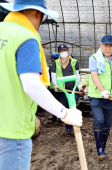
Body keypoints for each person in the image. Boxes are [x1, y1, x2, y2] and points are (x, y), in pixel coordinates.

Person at [0, 1, 82, 170]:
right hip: (12, 130)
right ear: (39, 14)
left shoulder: (2, 30)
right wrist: (64, 113)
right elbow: (31, 85)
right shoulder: (25, 37)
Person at [88, 35, 112, 160]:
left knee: (107, 125)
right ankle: (99, 151)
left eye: (110, 46)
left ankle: (102, 149)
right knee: (99, 120)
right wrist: (102, 91)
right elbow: (94, 76)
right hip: (96, 96)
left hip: (110, 98)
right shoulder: (93, 58)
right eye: (105, 46)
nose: (107, 49)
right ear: (101, 45)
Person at [51, 44, 83, 134]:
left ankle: (74, 127)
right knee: (66, 108)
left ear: (68, 51)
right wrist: (56, 84)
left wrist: (79, 87)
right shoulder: (55, 63)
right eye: (61, 51)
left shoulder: (74, 62)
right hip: (62, 90)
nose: (63, 52)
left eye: (64, 50)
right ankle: (68, 127)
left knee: (73, 107)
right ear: (59, 53)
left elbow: (77, 75)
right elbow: (53, 75)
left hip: (73, 89)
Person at [48, 52, 60, 121]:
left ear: (53, 58)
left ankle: (54, 117)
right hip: (61, 86)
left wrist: (48, 85)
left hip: (53, 86)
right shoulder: (61, 64)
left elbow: (50, 76)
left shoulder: (52, 65)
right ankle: (61, 117)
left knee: (54, 102)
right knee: (61, 101)